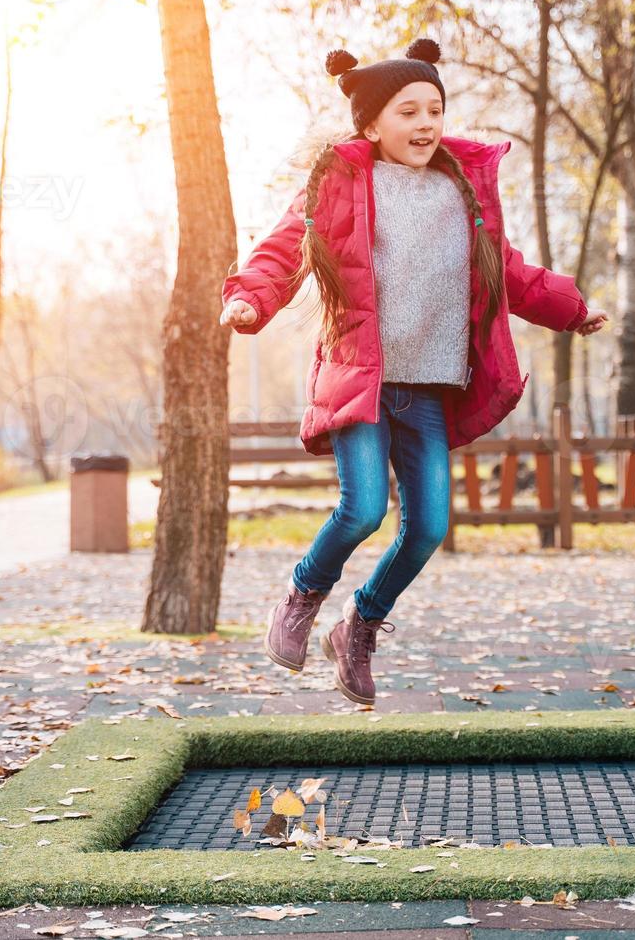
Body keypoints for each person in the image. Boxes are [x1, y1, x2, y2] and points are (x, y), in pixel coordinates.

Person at [219, 38, 609, 707]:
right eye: (407, 111)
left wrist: (570, 308)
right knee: (364, 507)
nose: (426, 122)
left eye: (434, 108)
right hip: (361, 377)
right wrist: (250, 298)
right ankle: (302, 594)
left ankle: (360, 625)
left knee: (428, 526)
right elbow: (286, 247)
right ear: (371, 124)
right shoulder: (340, 181)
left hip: (426, 386)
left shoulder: (462, 190)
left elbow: (507, 270)